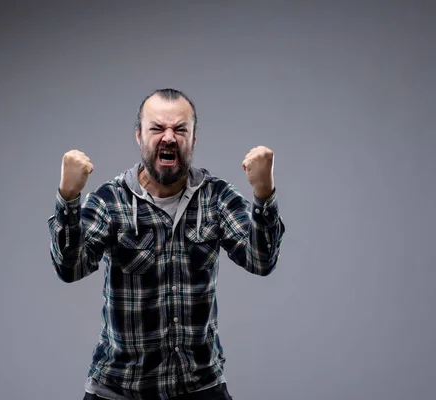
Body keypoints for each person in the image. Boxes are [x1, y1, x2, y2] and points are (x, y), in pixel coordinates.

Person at [47, 88, 286, 400]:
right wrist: (68, 199)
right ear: (139, 136)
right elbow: (70, 268)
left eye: (180, 129)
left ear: (194, 138)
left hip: (200, 386)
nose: (169, 138)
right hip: (120, 389)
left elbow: (261, 261)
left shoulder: (215, 197)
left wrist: (264, 194)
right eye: (157, 128)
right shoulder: (111, 200)